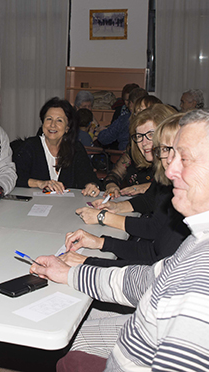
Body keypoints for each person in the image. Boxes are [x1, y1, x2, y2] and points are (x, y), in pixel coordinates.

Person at [30, 106, 209, 371]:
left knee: (61, 339)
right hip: (151, 327)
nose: (170, 171)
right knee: (64, 323)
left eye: (185, 159)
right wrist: (72, 273)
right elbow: (152, 281)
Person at [65, 113, 189, 269]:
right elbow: (154, 253)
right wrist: (100, 242)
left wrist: (86, 263)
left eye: (150, 136)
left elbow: (151, 274)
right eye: (163, 150)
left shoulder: (192, 210)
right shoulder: (174, 190)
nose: (144, 143)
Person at [13, 98, 100, 197]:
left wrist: (91, 185)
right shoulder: (30, 146)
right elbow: (14, 177)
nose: (52, 125)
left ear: (67, 127)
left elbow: (88, 176)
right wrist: (40, 183)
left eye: (59, 120)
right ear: (43, 123)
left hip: (67, 207)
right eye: (49, 119)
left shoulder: (76, 148)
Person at [103, 104, 177, 198]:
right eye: (139, 136)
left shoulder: (176, 164)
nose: (144, 142)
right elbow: (114, 175)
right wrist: (111, 186)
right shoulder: (134, 153)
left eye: (150, 135)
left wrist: (149, 187)